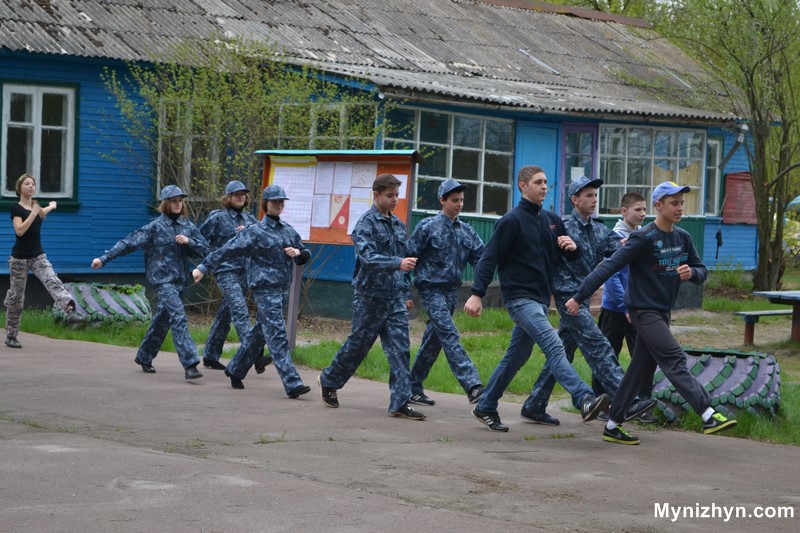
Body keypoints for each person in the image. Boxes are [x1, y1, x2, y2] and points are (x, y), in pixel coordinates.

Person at [566, 181, 737, 445]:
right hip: (642, 311)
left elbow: (701, 270)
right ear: (659, 205)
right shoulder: (643, 238)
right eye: (674, 203)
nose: (680, 208)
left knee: (640, 371)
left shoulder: (683, 238)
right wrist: (578, 297)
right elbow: (608, 266)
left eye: (681, 203)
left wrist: (692, 273)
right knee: (673, 357)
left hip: (662, 312)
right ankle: (708, 413)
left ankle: (613, 424)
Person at [464, 165, 610, 432]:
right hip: (520, 299)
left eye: (546, 183)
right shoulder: (511, 221)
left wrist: (573, 249)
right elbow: (489, 258)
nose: (544, 187)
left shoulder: (552, 220)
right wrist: (477, 293)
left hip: (541, 299)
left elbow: (569, 258)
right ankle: (584, 398)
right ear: (523, 186)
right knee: (554, 345)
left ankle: (485, 405)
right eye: (538, 182)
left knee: (516, 357)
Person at [519, 177, 655, 426]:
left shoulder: (600, 230)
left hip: (583, 296)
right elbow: (541, 258)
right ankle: (627, 401)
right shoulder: (560, 226)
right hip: (567, 297)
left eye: (595, 195)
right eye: (588, 195)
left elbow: (622, 249)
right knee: (598, 344)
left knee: (562, 352)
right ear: (574, 199)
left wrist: (644, 243)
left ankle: (534, 405)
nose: (594, 200)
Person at [317, 174, 425, 420]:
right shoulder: (366, 223)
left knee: (400, 349)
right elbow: (368, 258)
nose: (394, 200)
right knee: (358, 345)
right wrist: (398, 263)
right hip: (369, 297)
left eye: (397, 195)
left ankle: (400, 401)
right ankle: (329, 379)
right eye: (389, 195)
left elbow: (404, 260)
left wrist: (405, 291)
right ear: (376, 195)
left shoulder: (398, 224)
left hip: (394, 298)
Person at [193, 185, 311, 398]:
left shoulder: (288, 230)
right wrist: (203, 267)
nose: (278, 205)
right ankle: (293, 383)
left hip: (281, 289)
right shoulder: (255, 231)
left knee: (259, 333)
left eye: (281, 201)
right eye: (274, 201)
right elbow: (226, 250)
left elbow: (304, 253)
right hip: (264, 290)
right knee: (276, 335)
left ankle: (236, 368)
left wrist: (299, 252)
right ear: (266, 204)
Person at [91, 185, 208, 380]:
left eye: (180, 200)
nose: (178, 204)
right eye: (173, 200)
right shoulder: (154, 227)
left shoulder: (188, 227)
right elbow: (128, 242)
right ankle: (190, 364)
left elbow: (205, 250)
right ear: (165, 203)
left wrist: (189, 242)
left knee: (163, 320)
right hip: (162, 281)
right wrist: (104, 259)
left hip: (181, 281)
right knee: (178, 317)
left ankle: (144, 356)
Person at [406, 178, 485, 406]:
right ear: (442, 200)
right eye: (454, 200)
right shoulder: (428, 227)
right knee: (450, 335)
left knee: (434, 341)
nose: (459, 204)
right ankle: (473, 386)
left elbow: (482, 258)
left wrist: (479, 287)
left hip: (452, 294)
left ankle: (412, 387)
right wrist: (404, 292)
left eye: (461, 200)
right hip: (431, 291)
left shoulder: (466, 231)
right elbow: (409, 257)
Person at [596, 191, 658, 423]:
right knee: (606, 354)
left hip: (638, 308)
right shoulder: (615, 238)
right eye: (637, 210)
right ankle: (602, 403)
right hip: (615, 309)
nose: (643, 214)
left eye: (644, 210)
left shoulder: (642, 236)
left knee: (643, 355)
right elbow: (611, 277)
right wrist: (625, 307)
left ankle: (642, 404)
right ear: (624, 212)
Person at [5, 173, 85, 348]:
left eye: (33, 184)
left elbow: (42, 213)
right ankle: (11, 335)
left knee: (53, 281)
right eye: (27, 184)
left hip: (38, 256)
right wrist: (34, 213)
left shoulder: (36, 207)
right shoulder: (16, 209)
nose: (31, 186)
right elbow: (19, 231)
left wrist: (51, 206)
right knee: (16, 299)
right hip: (19, 260)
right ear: (20, 188)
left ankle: (71, 311)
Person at [198, 180, 271, 372]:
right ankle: (255, 355)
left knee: (226, 313)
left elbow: (264, 241)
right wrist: (209, 262)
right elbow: (199, 241)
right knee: (240, 311)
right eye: (236, 194)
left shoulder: (251, 220)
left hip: (245, 273)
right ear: (227, 197)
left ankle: (210, 355)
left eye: (243, 194)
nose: (241, 197)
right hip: (225, 271)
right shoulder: (218, 218)